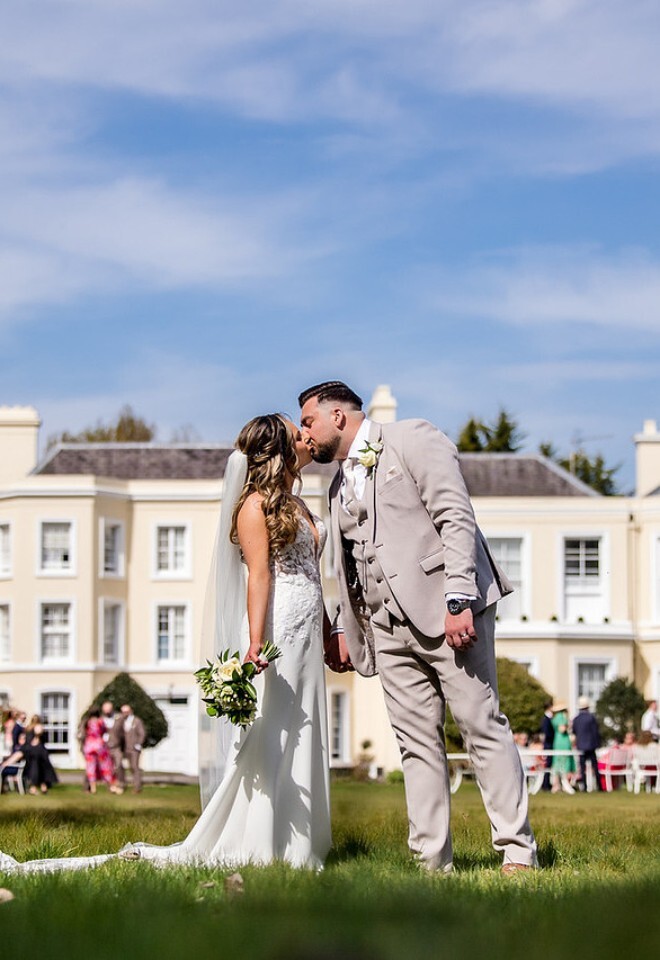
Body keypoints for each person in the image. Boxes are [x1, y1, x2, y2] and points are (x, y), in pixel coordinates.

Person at [0, 413, 331, 873]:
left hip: (308, 630)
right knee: (273, 732)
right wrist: (256, 643)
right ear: (277, 450)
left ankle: (303, 838)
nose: (307, 438)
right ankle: (265, 839)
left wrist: (330, 629)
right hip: (276, 630)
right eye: (298, 435)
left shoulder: (298, 503)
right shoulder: (255, 506)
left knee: (304, 724)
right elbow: (259, 576)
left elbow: (314, 575)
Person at [299, 380, 536, 875]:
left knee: (481, 728)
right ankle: (431, 860)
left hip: (447, 612)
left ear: (338, 416)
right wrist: (345, 626)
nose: (306, 433)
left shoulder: (412, 438)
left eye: (308, 421)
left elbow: (456, 517)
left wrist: (459, 598)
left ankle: (517, 852)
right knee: (414, 743)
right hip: (384, 629)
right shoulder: (339, 484)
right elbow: (346, 566)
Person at [82, 708, 120, 794]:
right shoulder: (100, 721)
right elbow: (104, 731)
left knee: (90, 767)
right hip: (99, 745)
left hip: (89, 746)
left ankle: (93, 788)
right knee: (106, 766)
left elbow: (84, 733)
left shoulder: (87, 722)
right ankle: (111, 786)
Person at [109, 704, 146, 794]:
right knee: (119, 766)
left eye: (126, 712)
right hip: (122, 747)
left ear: (130, 711)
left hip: (133, 749)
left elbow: (142, 733)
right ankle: (121, 785)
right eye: (123, 712)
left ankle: (137, 787)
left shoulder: (136, 721)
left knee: (134, 767)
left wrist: (138, 744)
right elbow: (115, 732)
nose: (124, 714)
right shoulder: (120, 721)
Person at [571, 696, 603, 792]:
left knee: (582, 767)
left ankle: (584, 787)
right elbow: (595, 732)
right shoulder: (591, 718)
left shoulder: (576, 719)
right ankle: (599, 786)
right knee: (595, 766)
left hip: (581, 746)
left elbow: (574, 731)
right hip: (591, 745)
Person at [550, 702, 575, 794]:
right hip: (563, 742)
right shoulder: (561, 717)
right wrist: (568, 725)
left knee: (557, 763)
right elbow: (562, 729)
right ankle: (564, 785)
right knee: (565, 763)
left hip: (557, 741)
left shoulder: (555, 718)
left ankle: (556, 785)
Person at [539, 699, 555, 791]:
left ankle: (547, 783)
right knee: (547, 765)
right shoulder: (546, 719)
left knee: (549, 765)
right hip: (548, 744)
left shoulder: (548, 719)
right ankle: (545, 784)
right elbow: (547, 733)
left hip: (549, 743)